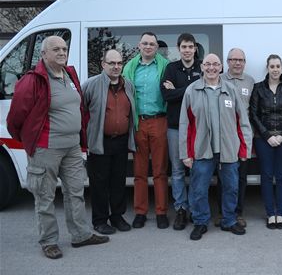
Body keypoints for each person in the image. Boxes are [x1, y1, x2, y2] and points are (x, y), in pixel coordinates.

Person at [6, 35, 109, 259]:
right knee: (45, 196)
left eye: (64, 48)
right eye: (56, 49)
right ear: (43, 54)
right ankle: (49, 241)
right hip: (46, 149)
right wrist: (28, 139)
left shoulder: (69, 75)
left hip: (72, 147)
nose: (62, 52)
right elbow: (15, 117)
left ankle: (80, 235)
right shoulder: (33, 80)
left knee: (76, 192)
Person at [179, 53, 252, 240]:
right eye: (208, 64)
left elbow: (242, 122)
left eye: (215, 64)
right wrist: (185, 154)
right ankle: (200, 222)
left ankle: (229, 220)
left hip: (229, 149)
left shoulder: (231, 90)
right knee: (199, 189)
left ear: (221, 67)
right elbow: (185, 125)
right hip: (202, 150)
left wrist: (245, 149)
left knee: (231, 187)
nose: (211, 68)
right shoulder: (191, 91)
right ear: (202, 67)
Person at [82, 49, 136, 234]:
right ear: (103, 64)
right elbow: (81, 111)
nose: (116, 67)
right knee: (99, 183)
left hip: (121, 142)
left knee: (118, 181)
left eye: (119, 63)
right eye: (112, 63)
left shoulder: (128, 85)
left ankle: (117, 217)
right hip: (100, 142)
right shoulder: (91, 85)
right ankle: (100, 220)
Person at [122, 32, 170, 229]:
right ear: (139, 46)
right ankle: (140, 212)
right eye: (145, 43)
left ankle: (161, 212)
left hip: (159, 120)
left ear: (157, 47)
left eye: (152, 44)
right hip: (138, 122)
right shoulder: (130, 67)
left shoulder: (165, 66)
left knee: (160, 170)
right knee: (139, 171)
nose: (148, 46)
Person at [249, 54, 282, 229]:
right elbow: (253, 115)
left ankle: (281, 214)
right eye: (272, 66)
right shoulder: (258, 88)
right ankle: (270, 213)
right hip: (263, 140)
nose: (275, 69)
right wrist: (267, 136)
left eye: (278, 66)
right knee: (267, 176)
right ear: (267, 68)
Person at [161, 33, 202, 230]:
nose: (187, 50)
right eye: (184, 46)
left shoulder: (203, 67)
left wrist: (179, 89)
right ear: (179, 48)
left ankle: (194, 209)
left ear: (195, 48)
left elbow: (203, 93)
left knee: (195, 171)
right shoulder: (171, 68)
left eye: (190, 46)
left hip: (198, 129)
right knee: (177, 171)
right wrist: (190, 89)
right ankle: (180, 209)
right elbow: (167, 96)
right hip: (175, 127)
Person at [216, 48, 255, 228]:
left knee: (241, 177)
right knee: (223, 178)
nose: (237, 63)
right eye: (233, 59)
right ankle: (222, 212)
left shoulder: (250, 82)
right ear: (227, 62)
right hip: (225, 138)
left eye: (241, 60)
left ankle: (238, 213)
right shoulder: (219, 79)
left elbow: (253, 111)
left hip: (243, 137)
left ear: (244, 62)